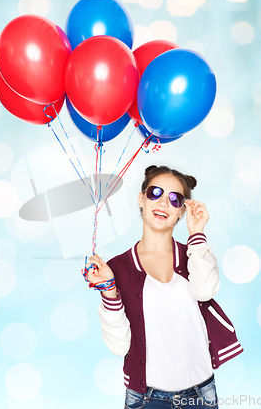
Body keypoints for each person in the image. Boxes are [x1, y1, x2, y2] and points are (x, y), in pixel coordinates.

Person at [84, 165, 243, 408]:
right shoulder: (117, 268)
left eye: (174, 198)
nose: (163, 203)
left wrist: (197, 232)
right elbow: (119, 346)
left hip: (200, 396)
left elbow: (205, 291)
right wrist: (108, 290)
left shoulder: (194, 254)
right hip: (146, 399)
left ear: (182, 211)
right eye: (154, 193)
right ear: (141, 198)